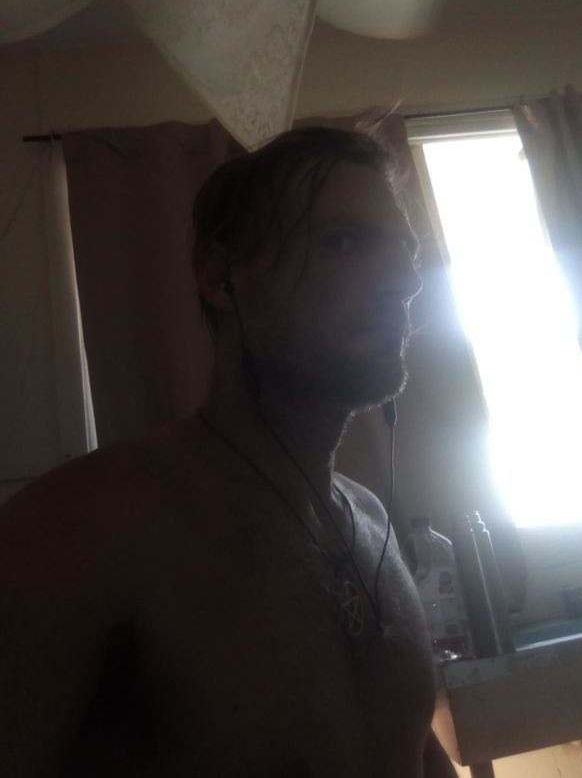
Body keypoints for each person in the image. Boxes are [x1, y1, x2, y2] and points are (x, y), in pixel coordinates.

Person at [0, 127, 456, 777]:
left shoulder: (371, 522)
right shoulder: (89, 524)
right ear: (221, 277)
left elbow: (411, 753)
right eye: (343, 240)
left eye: (404, 251)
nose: (405, 282)